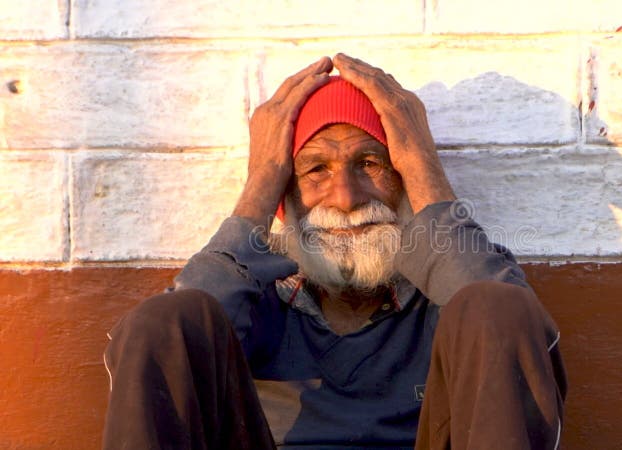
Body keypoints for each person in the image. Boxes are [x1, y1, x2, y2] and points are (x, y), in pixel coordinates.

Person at [102, 53, 567, 450]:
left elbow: (509, 327)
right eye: (315, 171)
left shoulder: (451, 293)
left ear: (403, 178)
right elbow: (165, 347)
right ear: (286, 194)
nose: (345, 198)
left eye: (370, 164)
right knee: (164, 321)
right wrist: (259, 189)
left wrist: (425, 170)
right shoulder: (253, 298)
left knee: (496, 306)